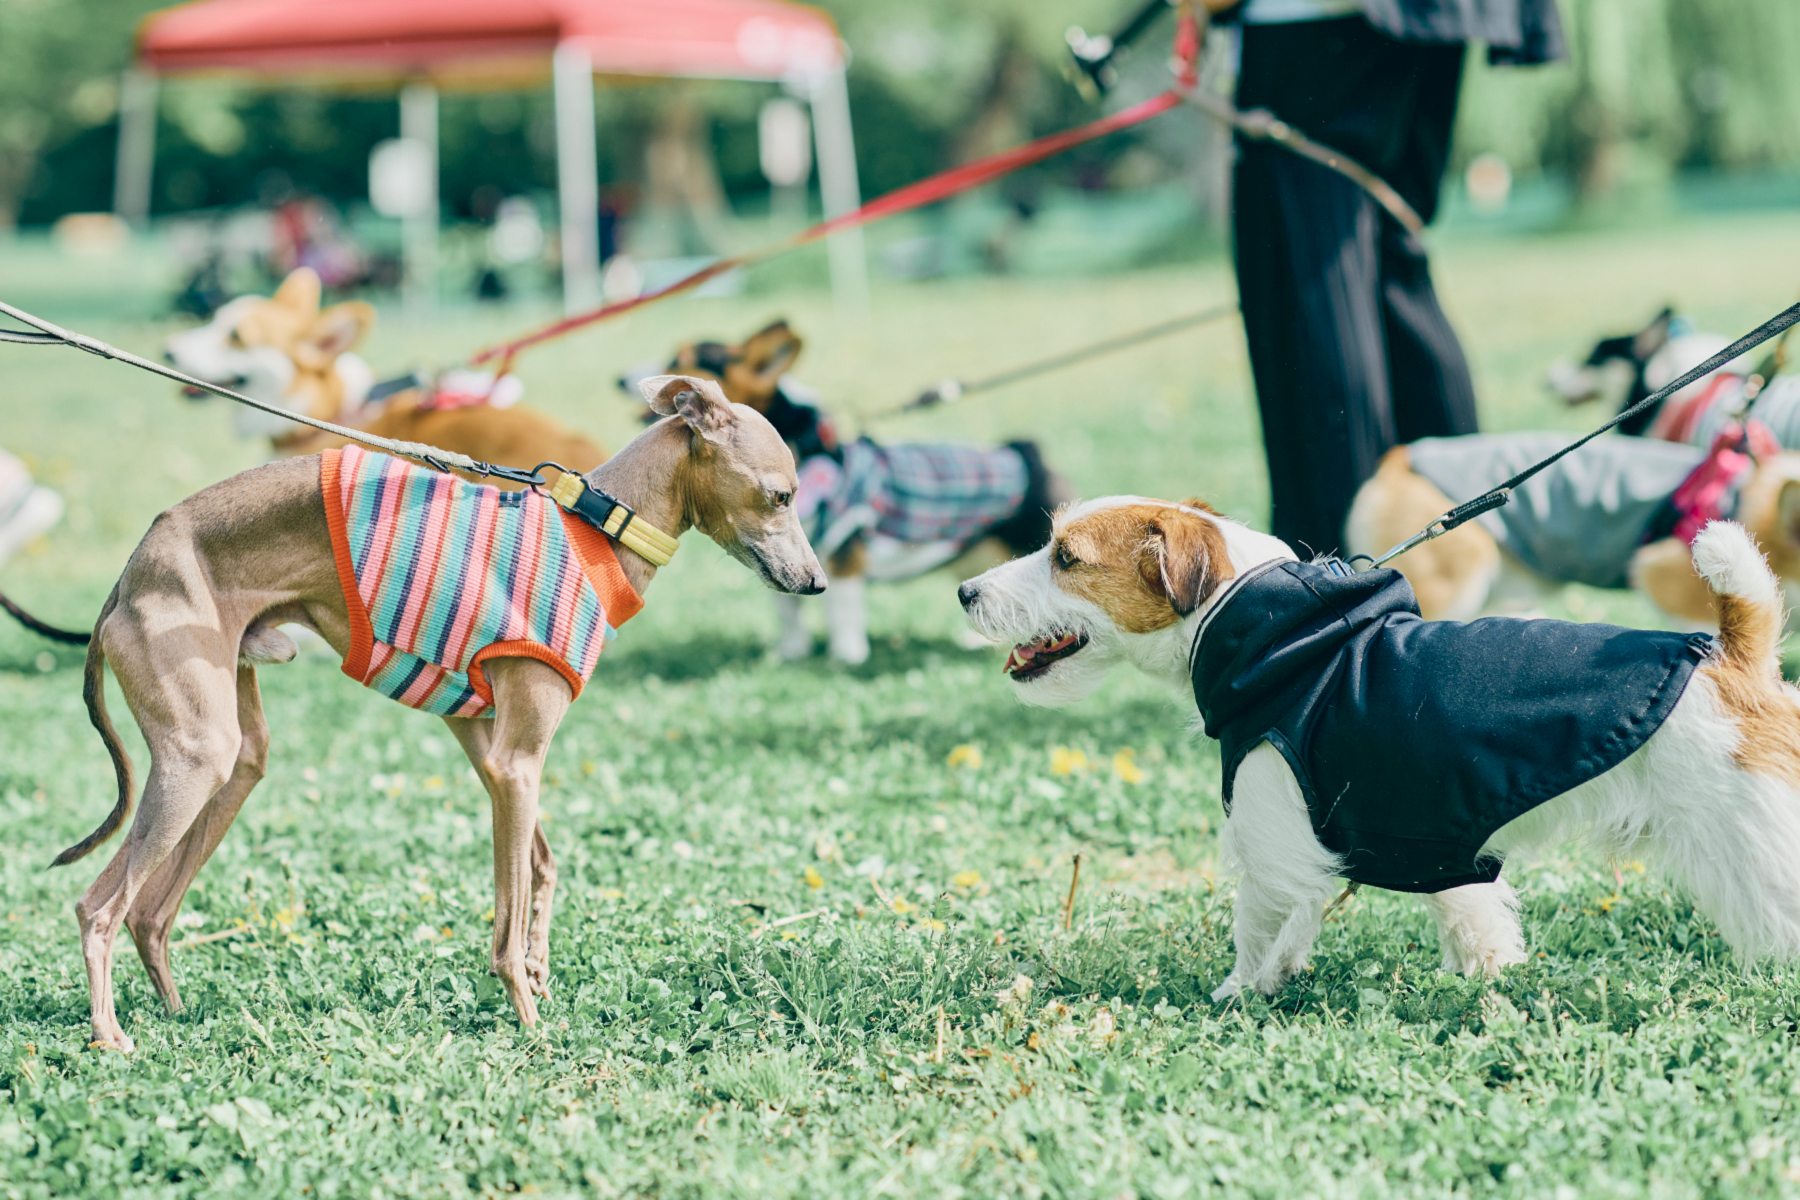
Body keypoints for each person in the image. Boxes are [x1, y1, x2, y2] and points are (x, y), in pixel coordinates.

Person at [1213, 0, 1564, 557]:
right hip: (1433, 16)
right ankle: (1466, 558)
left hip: (1312, 21)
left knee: (1313, 291)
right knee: (1391, 270)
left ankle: (1340, 583)